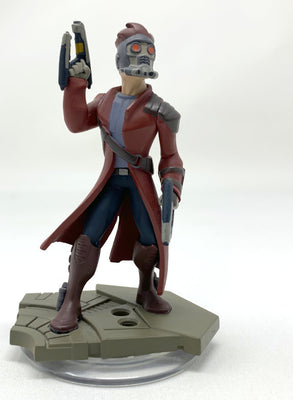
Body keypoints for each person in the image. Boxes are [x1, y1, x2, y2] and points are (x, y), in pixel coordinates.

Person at [41, 23, 185, 334]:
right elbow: (76, 123)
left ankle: (146, 288)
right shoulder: (105, 101)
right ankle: (72, 300)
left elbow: (171, 157)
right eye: (135, 49)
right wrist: (76, 85)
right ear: (120, 58)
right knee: (87, 239)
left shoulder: (161, 111)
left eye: (148, 50)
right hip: (110, 183)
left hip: (139, 184)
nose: (143, 56)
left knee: (150, 241)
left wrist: (172, 188)